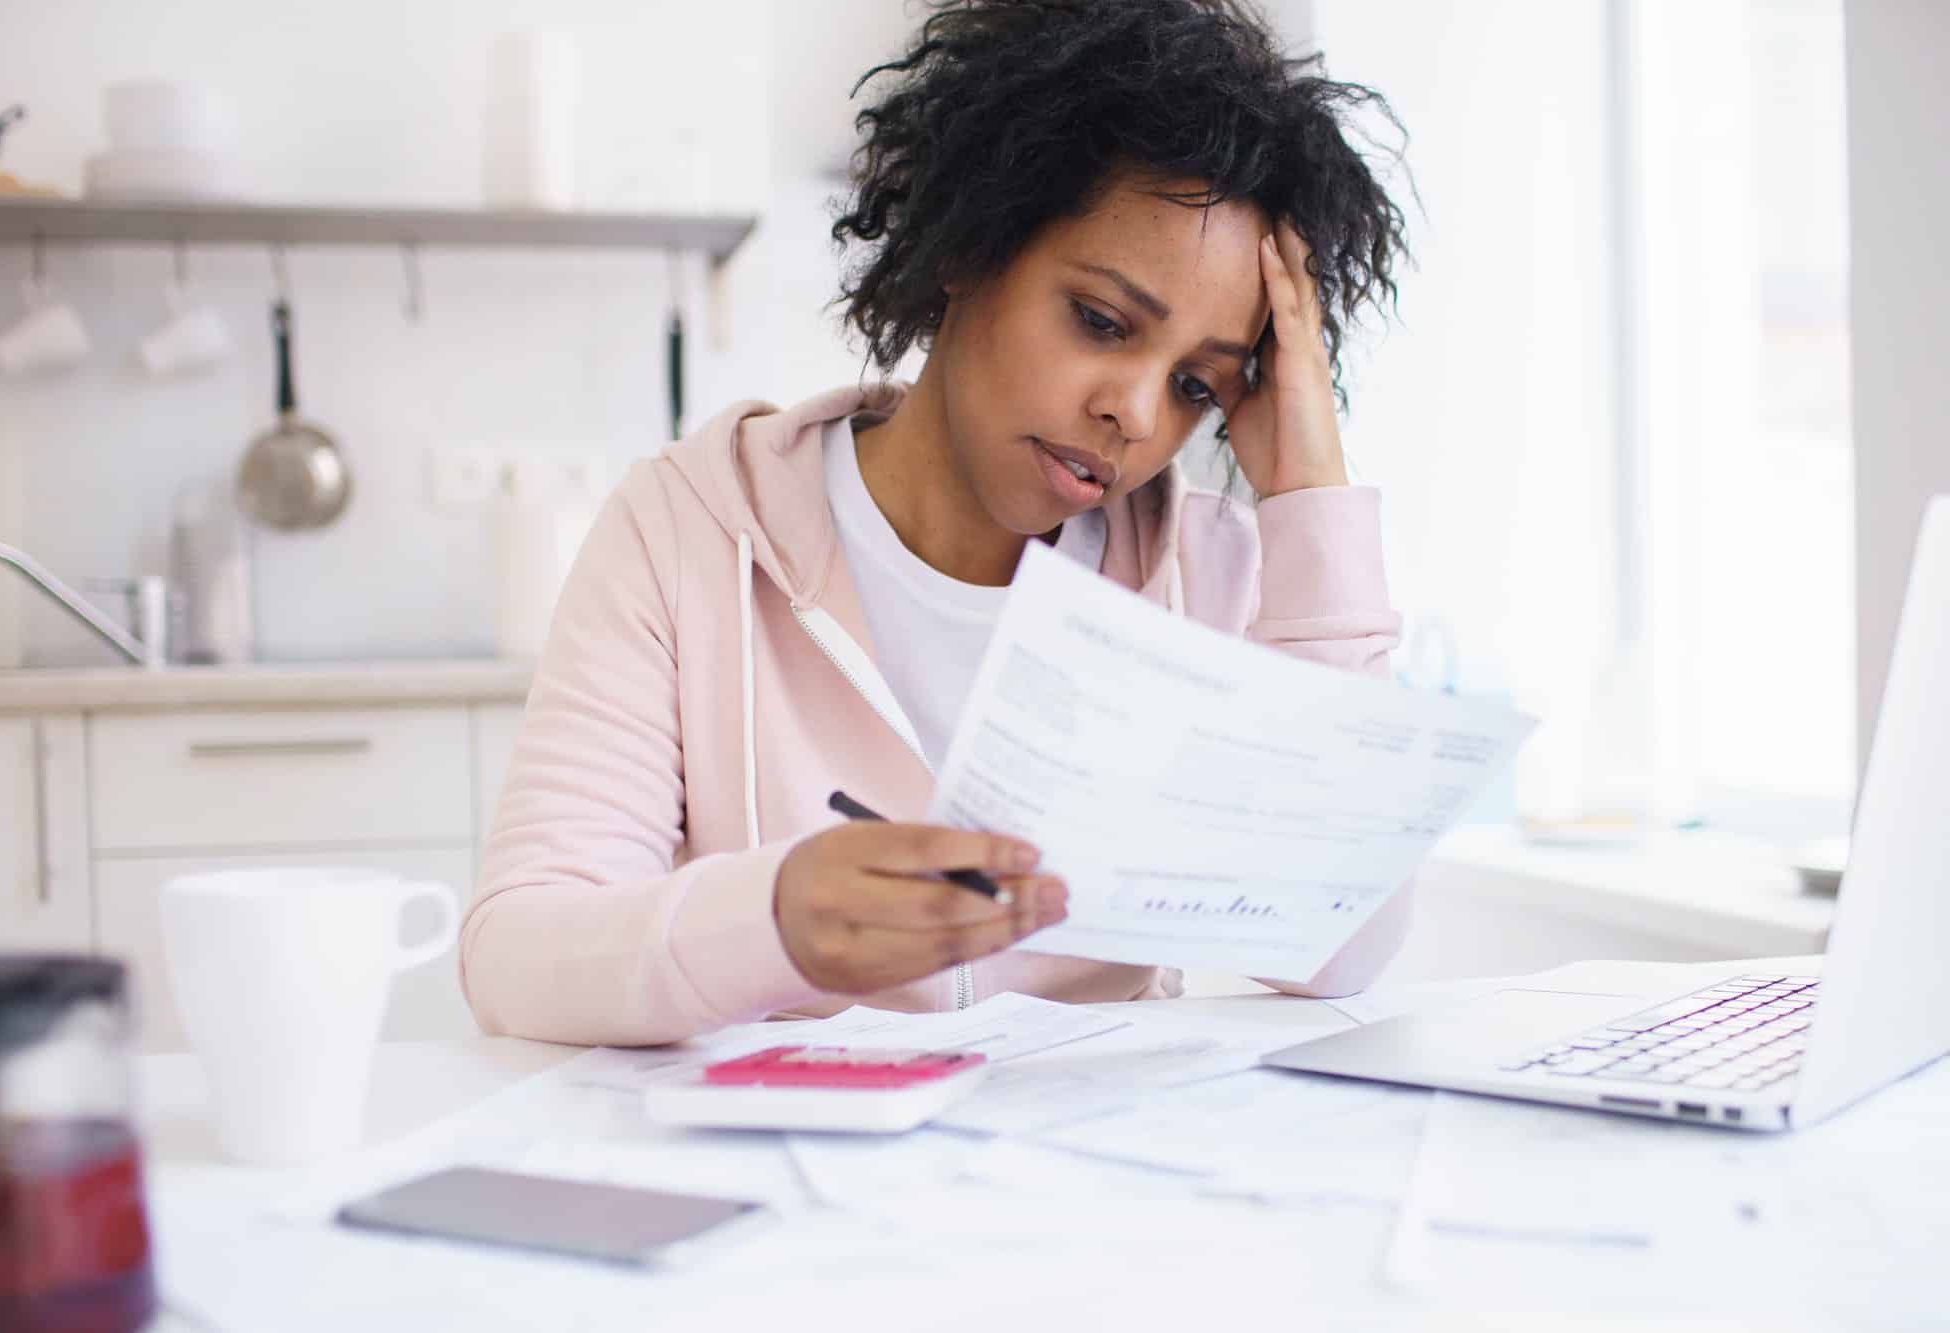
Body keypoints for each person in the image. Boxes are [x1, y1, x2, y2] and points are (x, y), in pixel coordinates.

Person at [463, 0, 1412, 1046]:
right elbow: (517, 957)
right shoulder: (687, 530)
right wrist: (774, 921)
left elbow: (1341, 947)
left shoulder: (1220, 571)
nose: (1136, 415)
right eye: (1099, 321)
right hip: (779, 1169)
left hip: (1088, 1180)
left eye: (1197, 383)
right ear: (969, 245)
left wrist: (1309, 501)